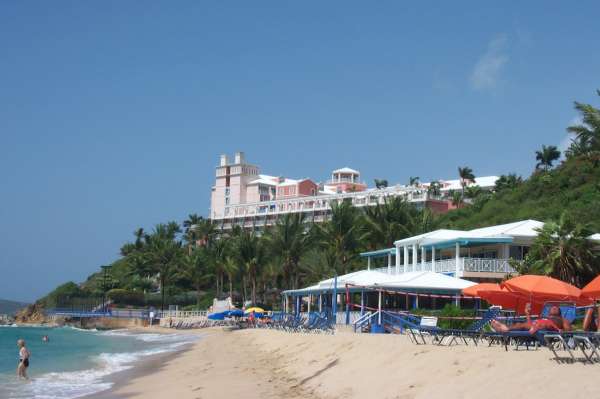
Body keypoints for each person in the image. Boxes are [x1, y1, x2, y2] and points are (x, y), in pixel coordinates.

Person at [491, 305, 571, 334]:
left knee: (524, 325)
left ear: (559, 312)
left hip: (547, 329)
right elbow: (530, 323)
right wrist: (527, 314)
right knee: (522, 324)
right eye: (552, 308)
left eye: (556, 308)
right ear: (549, 312)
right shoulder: (545, 318)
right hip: (537, 326)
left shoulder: (562, 319)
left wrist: (562, 331)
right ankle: (503, 328)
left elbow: (568, 331)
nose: (554, 308)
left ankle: (505, 328)